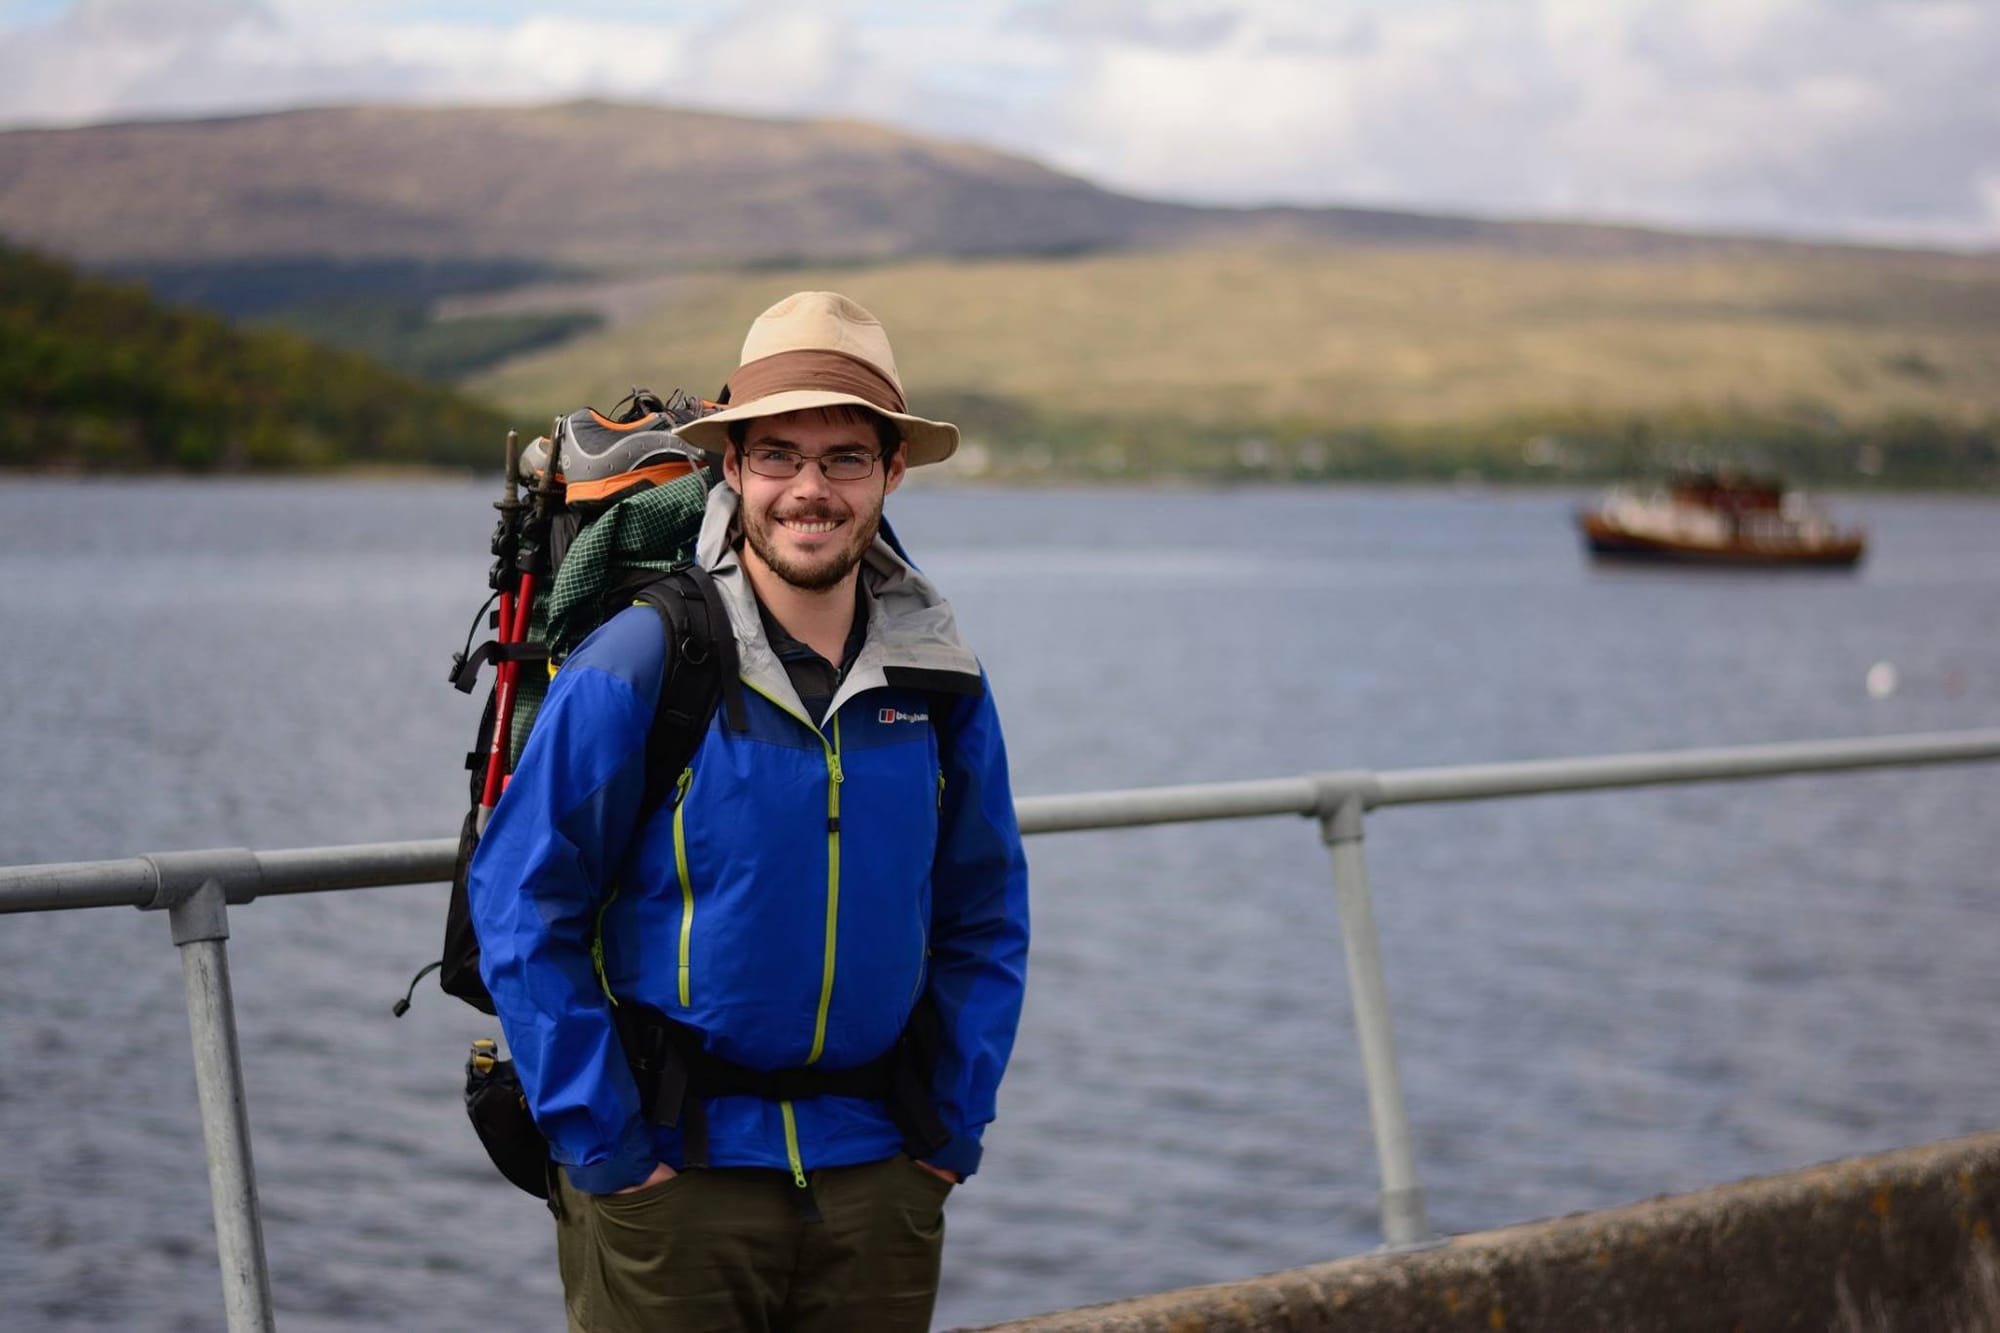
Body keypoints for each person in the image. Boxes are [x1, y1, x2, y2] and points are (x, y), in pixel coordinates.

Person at [467, 290, 1030, 1332]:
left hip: (880, 1177)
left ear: (891, 473)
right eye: (778, 455)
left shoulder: (940, 677)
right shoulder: (645, 660)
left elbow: (983, 909)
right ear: (732, 467)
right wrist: (608, 1146)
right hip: (675, 1178)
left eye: (845, 458)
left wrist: (949, 1133)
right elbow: (519, 903)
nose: (809, 489)